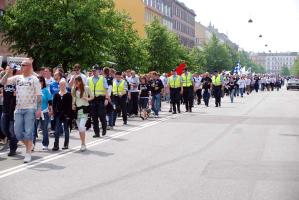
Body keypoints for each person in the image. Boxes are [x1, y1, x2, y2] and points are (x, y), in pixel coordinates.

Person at [0, 59, 41, 163]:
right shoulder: (18, 78)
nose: (21, 66)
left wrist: (39, 109)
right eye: (21, 65)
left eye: (24, 65)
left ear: (29, 66)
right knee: (17, 133)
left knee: (28, 132)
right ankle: (29, 145)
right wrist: (7, 73)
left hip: (30, 109)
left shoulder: (34, 79)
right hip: (18, 109)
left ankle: (28, 153)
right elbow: (2, 82)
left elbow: (39, 96)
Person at [0, 64, 20, 156]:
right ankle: (13, 139)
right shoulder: (5, 80)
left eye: (10, 69)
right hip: (5, 108)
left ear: (13, 70)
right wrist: (6, 74)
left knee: (12, 130)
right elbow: (1, 82)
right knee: (4, 128)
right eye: (7, 69)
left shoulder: (16, 80)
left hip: (14, 108)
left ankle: (13, 148)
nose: (8, 70)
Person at [72, 76, 94, 151]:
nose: (75, 84)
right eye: (74, 82)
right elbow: (73, 99)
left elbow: (92, 97)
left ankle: (83, 144)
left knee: (81, 127)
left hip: (84, 109)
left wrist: (86, 98)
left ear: (80, 81)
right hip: (77, 110)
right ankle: (82, 143)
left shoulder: (86, 88)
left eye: (76, 82)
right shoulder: (74, 89)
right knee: (80, 129)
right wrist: (73, 105)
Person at [88, 65, 109, 138]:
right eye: (93, 70)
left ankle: (104, 128)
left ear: (99, 71)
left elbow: (106, 89)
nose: (94, 72)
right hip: (92, 100)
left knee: (101, 115)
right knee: (94, 117)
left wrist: (106, 99)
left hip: (100, 99)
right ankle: (96, 132)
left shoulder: (103, 79)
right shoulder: (89, 79)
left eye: (95, 70)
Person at [32, 76, 53, 151]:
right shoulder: (33, 91)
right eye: (38, 81)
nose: (39, 82)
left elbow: (50, 101)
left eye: (41, 81)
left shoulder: (46, 90)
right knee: (33, 129)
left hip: (44, 112)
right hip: (35, 112)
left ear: (43, 82)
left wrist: (50, 109)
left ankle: (45, 144)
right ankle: (32, 144)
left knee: (44, 129)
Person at [52, 80, 72, 151]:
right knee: (56, 130)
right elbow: (54, 105)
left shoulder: (69, 94)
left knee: (66, 129)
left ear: (65, 85)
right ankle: (56, 145)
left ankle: (66, 144)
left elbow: (70, 106)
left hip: (66, 115)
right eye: (61, 85)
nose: (62, 86)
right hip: (58, 115)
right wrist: (54, 112)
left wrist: (68, 115)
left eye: (63, 85)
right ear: (59, 86)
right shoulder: (56, 94)